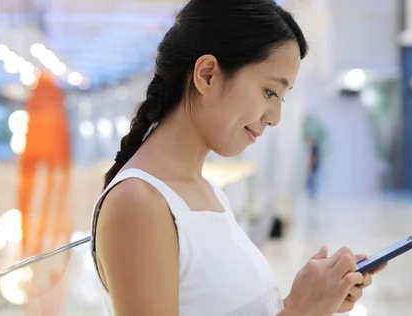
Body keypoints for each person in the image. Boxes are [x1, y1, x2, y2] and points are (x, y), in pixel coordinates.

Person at [90, 0, 386, 315]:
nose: (275, 118)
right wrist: (301, 308)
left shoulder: (206, 192)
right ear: (207, 75)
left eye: (282, 98)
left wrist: (315, 299)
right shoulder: (138, 203)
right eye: (270, 92)